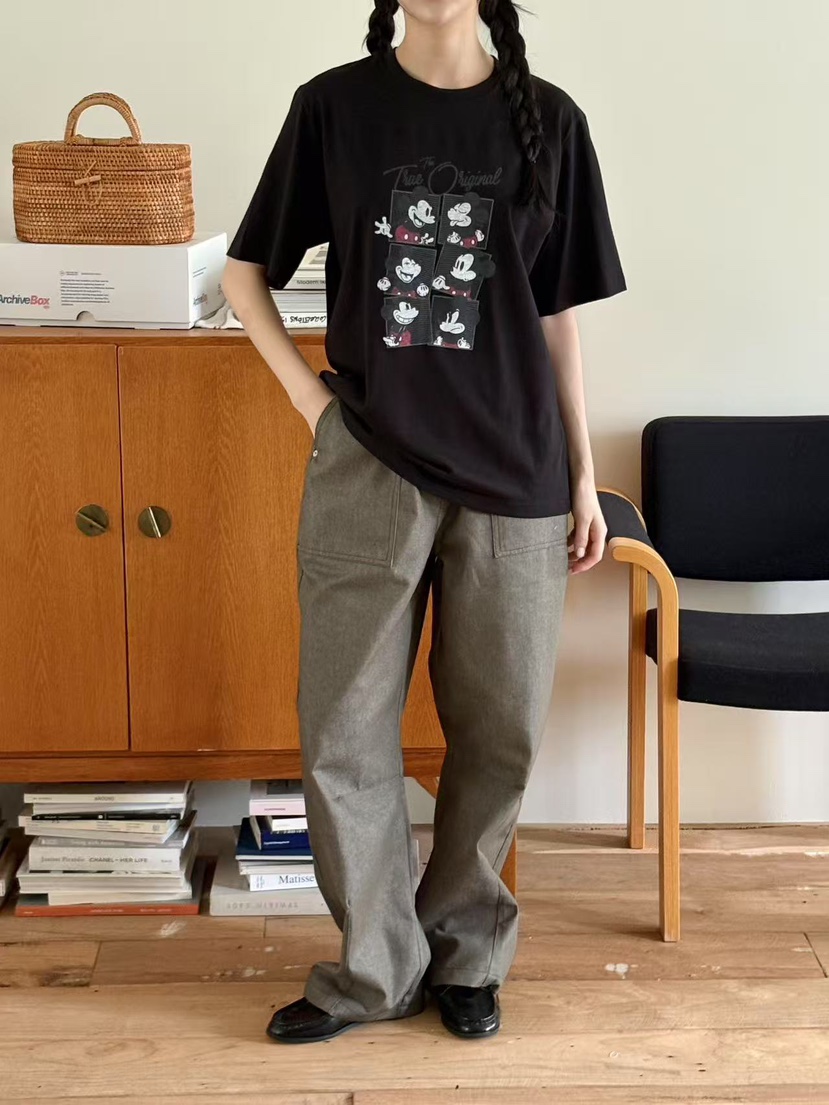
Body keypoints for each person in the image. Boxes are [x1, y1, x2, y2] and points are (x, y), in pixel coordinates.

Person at [221, 0, 626, 1044]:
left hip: (517, 474)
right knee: (342, 730)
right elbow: (242, 272)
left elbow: (553, 316)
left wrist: (584, 473)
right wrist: (317, 408)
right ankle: (371, 970)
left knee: (498, 731)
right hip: (370, 467)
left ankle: (467, 954)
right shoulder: (333, 109)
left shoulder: (551, 119)